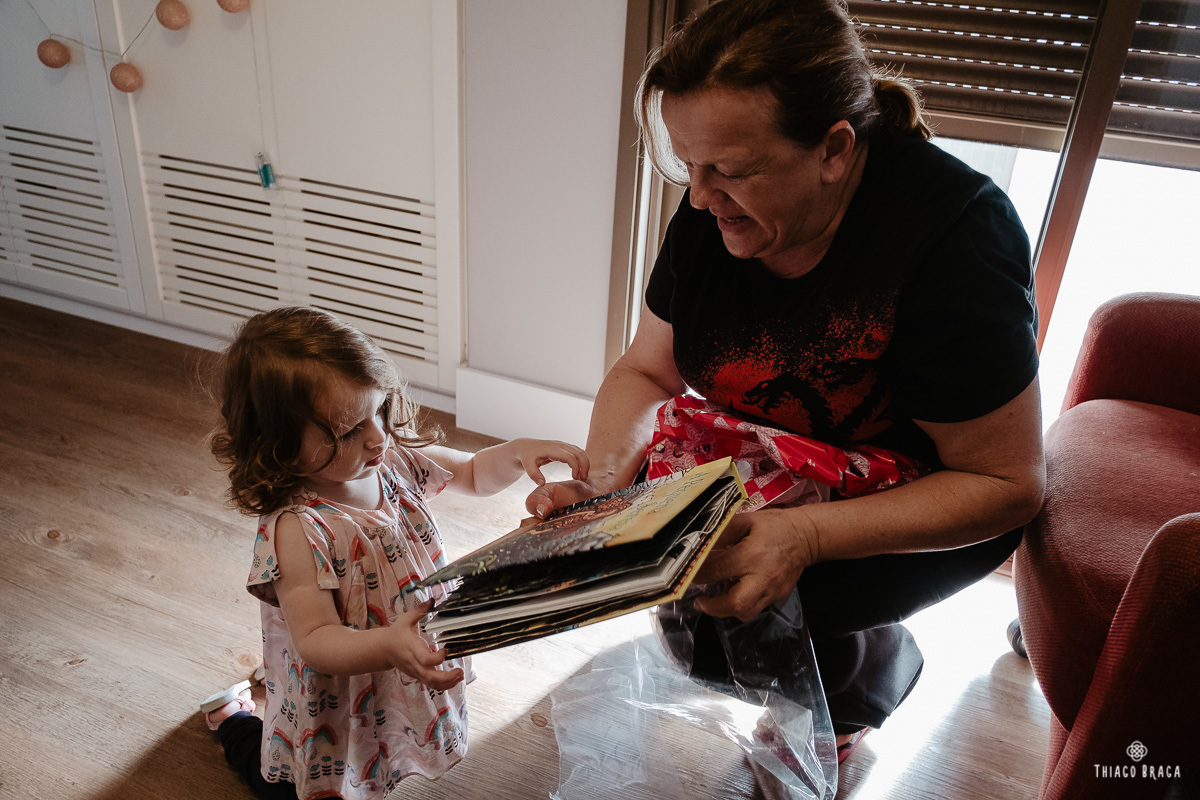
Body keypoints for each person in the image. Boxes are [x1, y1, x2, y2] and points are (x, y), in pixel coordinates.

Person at [527, 0, 1045, 766]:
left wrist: (803, 534)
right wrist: (608, 494)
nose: (700, 199)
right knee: (697, 591)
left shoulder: (957, 239)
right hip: (771, 456)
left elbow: (1007, 483)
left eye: (730, 172)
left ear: (834, 149)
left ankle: (857, 693)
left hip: (916, 486)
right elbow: (646, 369)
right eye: (688, 166)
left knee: (786, 601)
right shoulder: (713, 205)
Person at [204, 306, 588, 800]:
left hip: (400, 656)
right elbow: (316, 637)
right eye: (348, 430)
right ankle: (232, 722)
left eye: (378, 410)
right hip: (341, 687)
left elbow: (471, 472)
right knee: (314, 782)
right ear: (279, 448)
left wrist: (516, 451)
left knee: (383, 743)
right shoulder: (298, 529)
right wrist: (388, 645)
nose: (376, 436)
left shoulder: (392, 461)